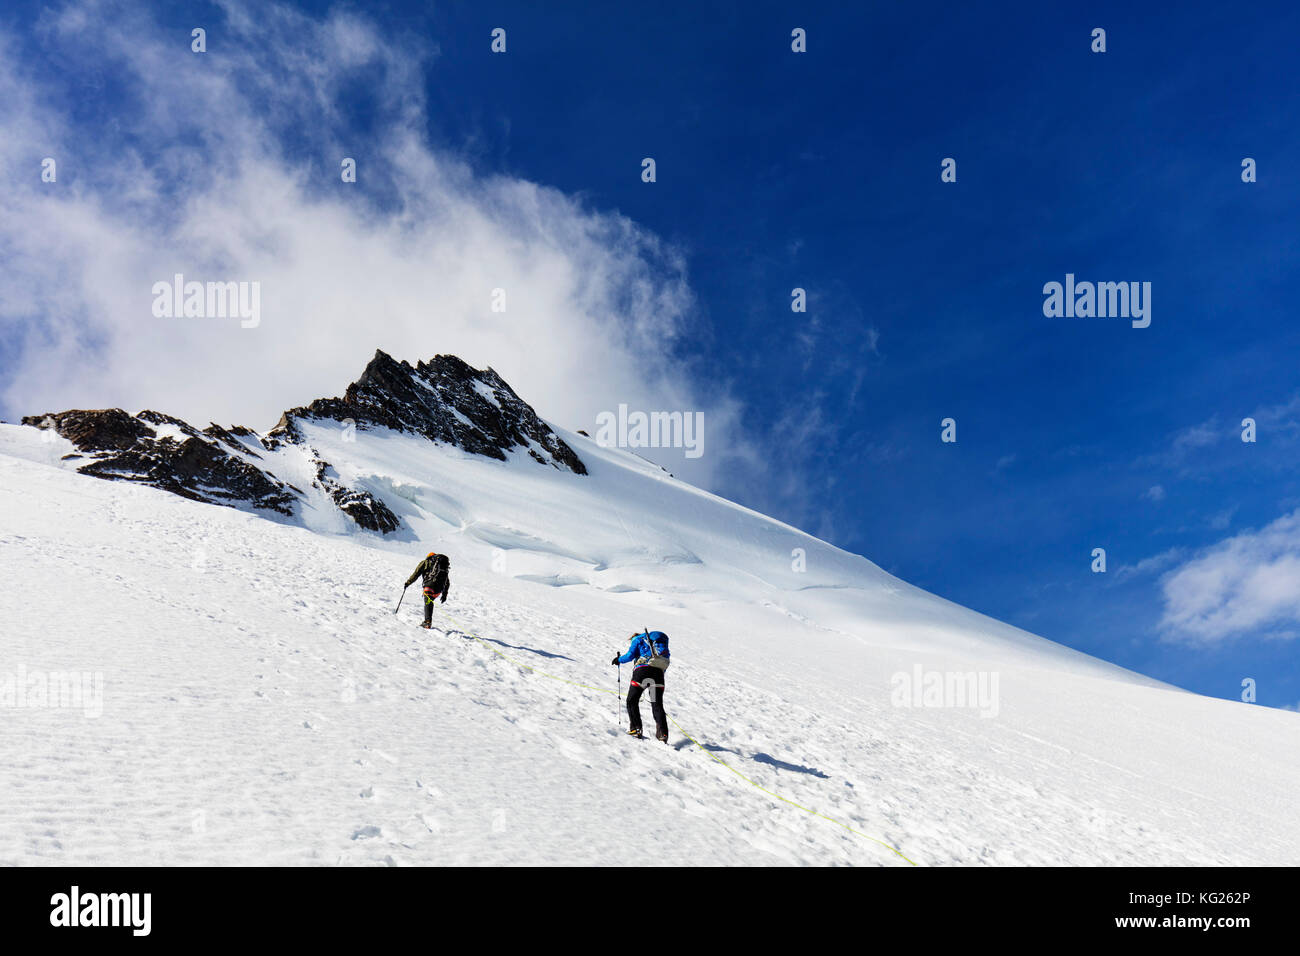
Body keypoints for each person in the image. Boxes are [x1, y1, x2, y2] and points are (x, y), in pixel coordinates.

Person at [612, 630, 670, 742]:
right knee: (657, 705)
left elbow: (630, 656)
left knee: (632, 700)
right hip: (658, 676)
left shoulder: (638, 640)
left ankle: (636, 728)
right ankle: (663, 734)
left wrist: (618, 660)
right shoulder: (659, 644)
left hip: (642, 673)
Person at [405, 552, 451, 628]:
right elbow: (447, 581)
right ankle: (428, 621)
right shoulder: (441, 567)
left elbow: (416, 573)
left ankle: (427, 622)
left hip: (429, 585)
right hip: (439, 589)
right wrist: (444, 594)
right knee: (429, 602)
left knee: (428, 602)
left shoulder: (425, 562)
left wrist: (408, 582)